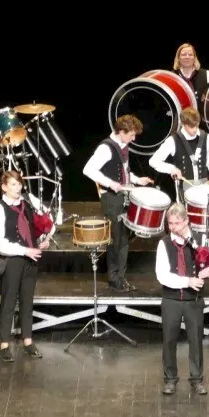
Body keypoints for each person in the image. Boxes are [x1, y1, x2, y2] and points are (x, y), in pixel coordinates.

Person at [156, 203, 209, 395]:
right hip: (171, 300)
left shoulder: (201, 240)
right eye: (170, 224)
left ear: (186, 221)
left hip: (193, 301)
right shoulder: (164, 243)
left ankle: (197, 379)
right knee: (169, 340)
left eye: (177, 223)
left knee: (195, 340)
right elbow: (162, 275)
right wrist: (187, 281)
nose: (173, 228)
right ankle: (170, 379)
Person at [82, 114, 154, 292]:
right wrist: (110, 184)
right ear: (121, 131)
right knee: (117, 240)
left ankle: (120, 277)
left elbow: (124, 171)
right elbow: (88, 170)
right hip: (112, 198)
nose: (134, 138)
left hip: (124, 195)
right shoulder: (106, 148)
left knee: (123, 240)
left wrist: (137, 180)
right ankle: (115, 280)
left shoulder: (123, 145)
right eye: (131, 134)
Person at [0, 169, 50, 362]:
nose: (18, 188)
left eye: (19, 184)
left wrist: (43, 239)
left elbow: (42, 225)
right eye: (14, 185)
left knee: (27, 302)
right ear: (4, 187)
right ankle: (5, 343)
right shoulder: (0, 208)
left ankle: (28, 341)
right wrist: (24, 250)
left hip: (31, 259)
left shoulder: (28, 203)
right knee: (8, 302)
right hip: (13, 260)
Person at [148, 106, 209, 194]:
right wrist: (171, 169)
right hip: (184, 190)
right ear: (183, 124)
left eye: (197, 125)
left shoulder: (207, 138)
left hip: (204, 188)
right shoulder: (173, 140)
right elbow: (153, 161)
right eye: (191, 127)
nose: (195, 130)